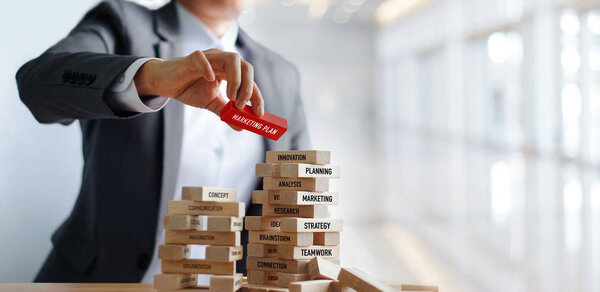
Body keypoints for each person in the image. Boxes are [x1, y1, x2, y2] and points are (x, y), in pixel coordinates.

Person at [15, 0, 310, 283]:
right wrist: (153, 77)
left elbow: (298, 199)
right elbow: (36, 84)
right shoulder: (123, 23)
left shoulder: (281, 74)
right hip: (103, 279)